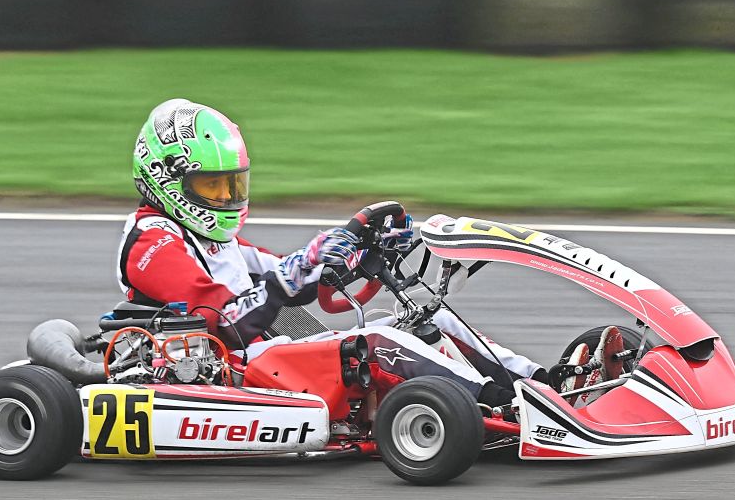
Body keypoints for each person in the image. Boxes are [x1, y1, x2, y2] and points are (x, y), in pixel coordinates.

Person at [117, 98, 548, 407]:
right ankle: (502, 405)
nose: (228, 197)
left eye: (234, 185)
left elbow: (291, 281)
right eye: (213, 186)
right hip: (233, 375)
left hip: (275, 358)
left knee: (426, 317)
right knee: (379, 340)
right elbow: (224, 320)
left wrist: (353, 254)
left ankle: (541, 385)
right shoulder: (152, 242)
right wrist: (298, 268)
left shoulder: (215, 240)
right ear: (165, 178)